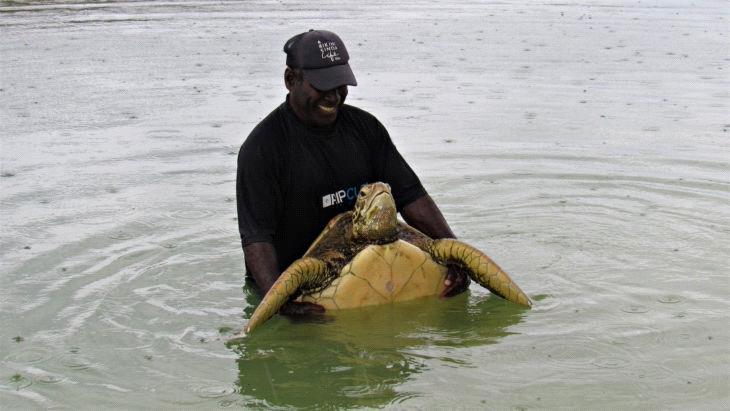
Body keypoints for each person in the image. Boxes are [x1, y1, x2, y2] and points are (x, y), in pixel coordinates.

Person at [236, 29, 468, 315]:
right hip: (298, 288)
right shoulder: (262, 149)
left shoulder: (366, 129)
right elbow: (256, 238)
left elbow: (411, 197)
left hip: (369, 271)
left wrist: (456, 254)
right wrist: (279, 304)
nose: (333, 96)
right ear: (290, 80)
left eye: (340, 84)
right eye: (322, 85)